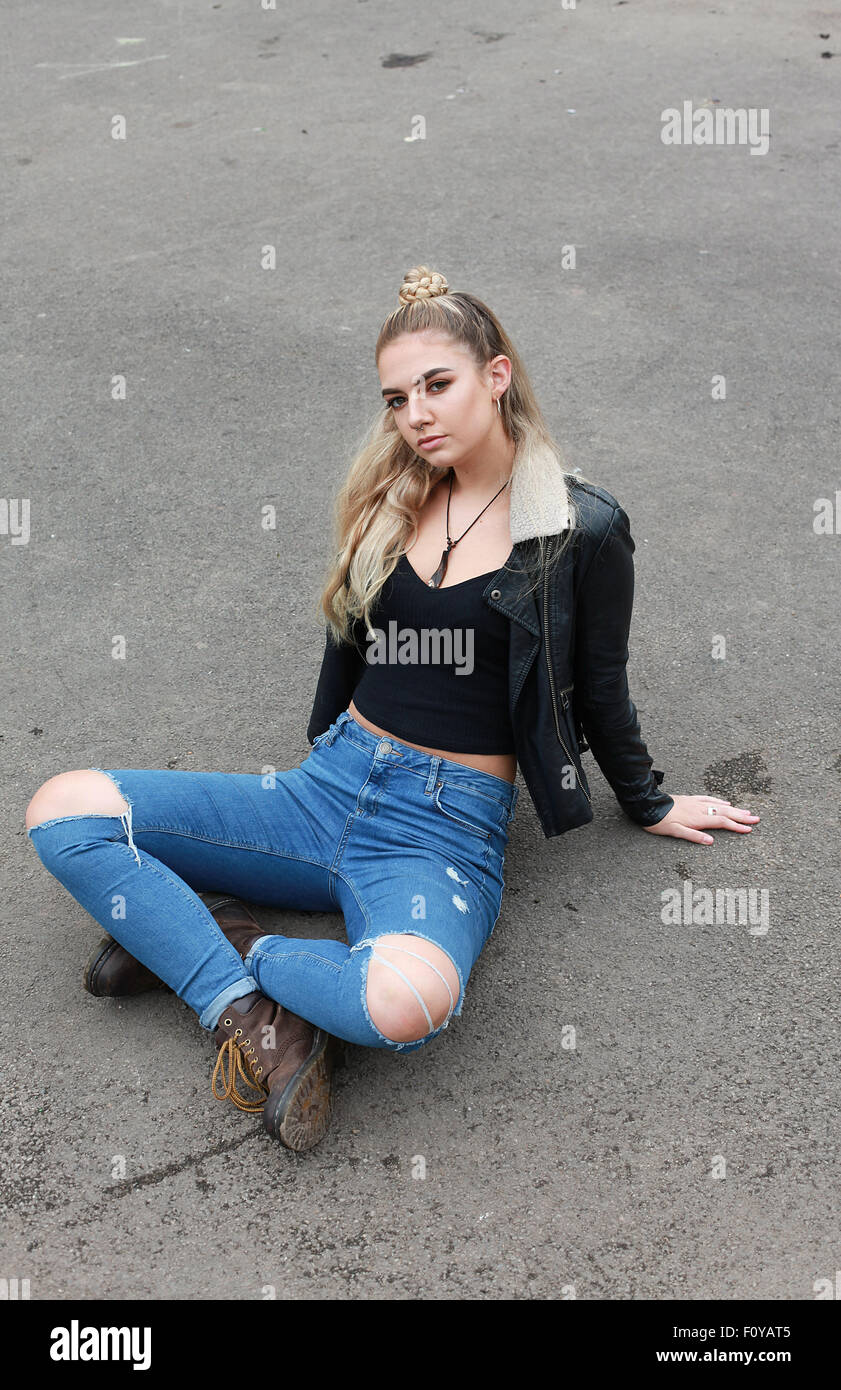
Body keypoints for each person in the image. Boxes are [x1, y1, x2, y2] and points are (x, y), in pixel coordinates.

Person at [24, 265, 760, 1153]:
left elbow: (600, 680)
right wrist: (315, 757)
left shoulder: (581, 528)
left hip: (442, 828)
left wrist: (647, 799)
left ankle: (205, 943)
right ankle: (251, 1012)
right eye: (397, 396)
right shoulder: (392, 497)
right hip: (325, 785)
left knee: (405, 1006)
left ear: (496, 376)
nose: (416, 412)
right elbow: (347, 645)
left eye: (437, 385)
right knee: (64, 812)